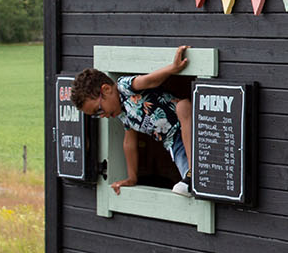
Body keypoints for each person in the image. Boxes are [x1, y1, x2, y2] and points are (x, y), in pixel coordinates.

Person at [70, 45, 195, 195]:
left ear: (106, 90)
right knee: (189, 187)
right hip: (173, 142)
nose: (102, 115)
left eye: (99, 110)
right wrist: (132, 178)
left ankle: (193, 169)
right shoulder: (123, 115)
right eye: (96, 115)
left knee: (183, 106)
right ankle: (190, 176)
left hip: (186, 124)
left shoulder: (124, 87)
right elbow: (129, 143)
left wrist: (172, 68)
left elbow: (149, 81)